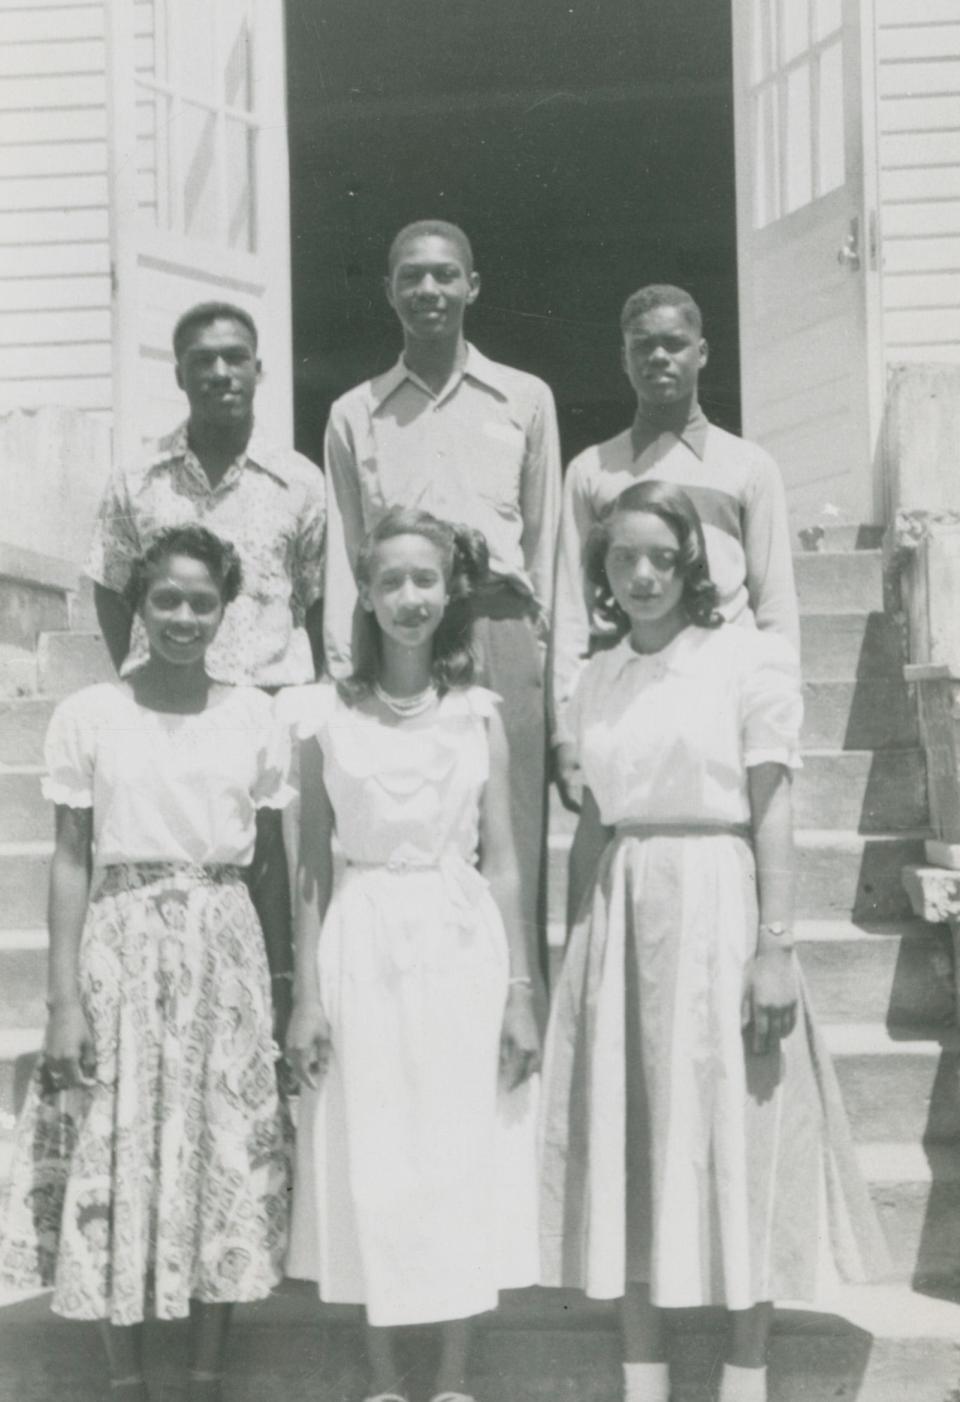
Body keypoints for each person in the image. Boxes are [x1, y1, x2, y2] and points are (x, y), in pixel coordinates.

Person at [539, 483, 888, 1402]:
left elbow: (773, 807)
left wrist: (777, 946)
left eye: (661, 555)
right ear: (602, 570)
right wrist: (575, 946)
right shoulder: (598, 677)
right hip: (623, 911)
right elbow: (592, 825)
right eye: (623, 558)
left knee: (743, 1127)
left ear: (692, 560)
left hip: (722, 899)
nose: (643, 574)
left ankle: (746, 1369)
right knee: (632, 1132)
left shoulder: (746, 661)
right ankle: (642, 1372)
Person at [0, 526, 295, 1402]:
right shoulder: (92, 715)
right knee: (113, 1146)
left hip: (226, 943)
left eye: (202, 601)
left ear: (224, 609)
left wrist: (278, 987)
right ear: (137, 603)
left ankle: (205, 1375)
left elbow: (272, 865)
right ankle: (123, 1379)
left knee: (222, 1153)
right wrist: (61, 1000)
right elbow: (67, 856)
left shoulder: (253, 714)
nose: (183, 616)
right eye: (166, 597)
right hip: (121, 946)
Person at [283, 507, 541, 1402]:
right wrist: (307, 997)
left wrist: (518, 990)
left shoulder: (478, 715)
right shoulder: (322, 714)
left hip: (459, 936)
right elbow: (311, 866)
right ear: (367, 594)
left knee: (455, 1152)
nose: (408, 598)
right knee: (375, 1154)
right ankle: (388, 1381)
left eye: (424, 580)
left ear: (448, 593)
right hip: (362, 941)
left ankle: (457, 1379)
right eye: (389, 581)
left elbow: (503, 860)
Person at [323, 221, 562, 1023]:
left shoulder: (525, 399)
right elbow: (342, 553)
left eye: (446, 276)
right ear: (389, 290)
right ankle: (417, 1023)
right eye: (413, 277)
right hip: (401, 639)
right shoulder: (355, 413)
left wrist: (558, 687)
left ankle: (516, 1022)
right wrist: (342, 672)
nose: (430, 291)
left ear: (473, 286)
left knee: (512, 840)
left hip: (499, 628)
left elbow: (549, 541)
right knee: (406, 833)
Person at [551, 284, 800, 810]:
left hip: (722, 691)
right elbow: (572, 609)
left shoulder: (748, 466)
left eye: (675, 343)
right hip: (624, 690)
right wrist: (566, 730)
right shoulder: (592, 471)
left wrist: (777, 711)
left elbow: (775, 606)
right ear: (624, 359)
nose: (659, 356)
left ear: (702, 352)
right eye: (643, 346)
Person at [87, 301, 326, 688]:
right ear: (180, 375)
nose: (220, 373)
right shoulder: (137, 479)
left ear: (257, 371)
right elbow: (111, 588)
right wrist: (146, 678)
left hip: (270, 704)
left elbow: (320, 600)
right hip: (166, 705)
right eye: (203, 360)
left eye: (235, 358)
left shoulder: (301, 481)